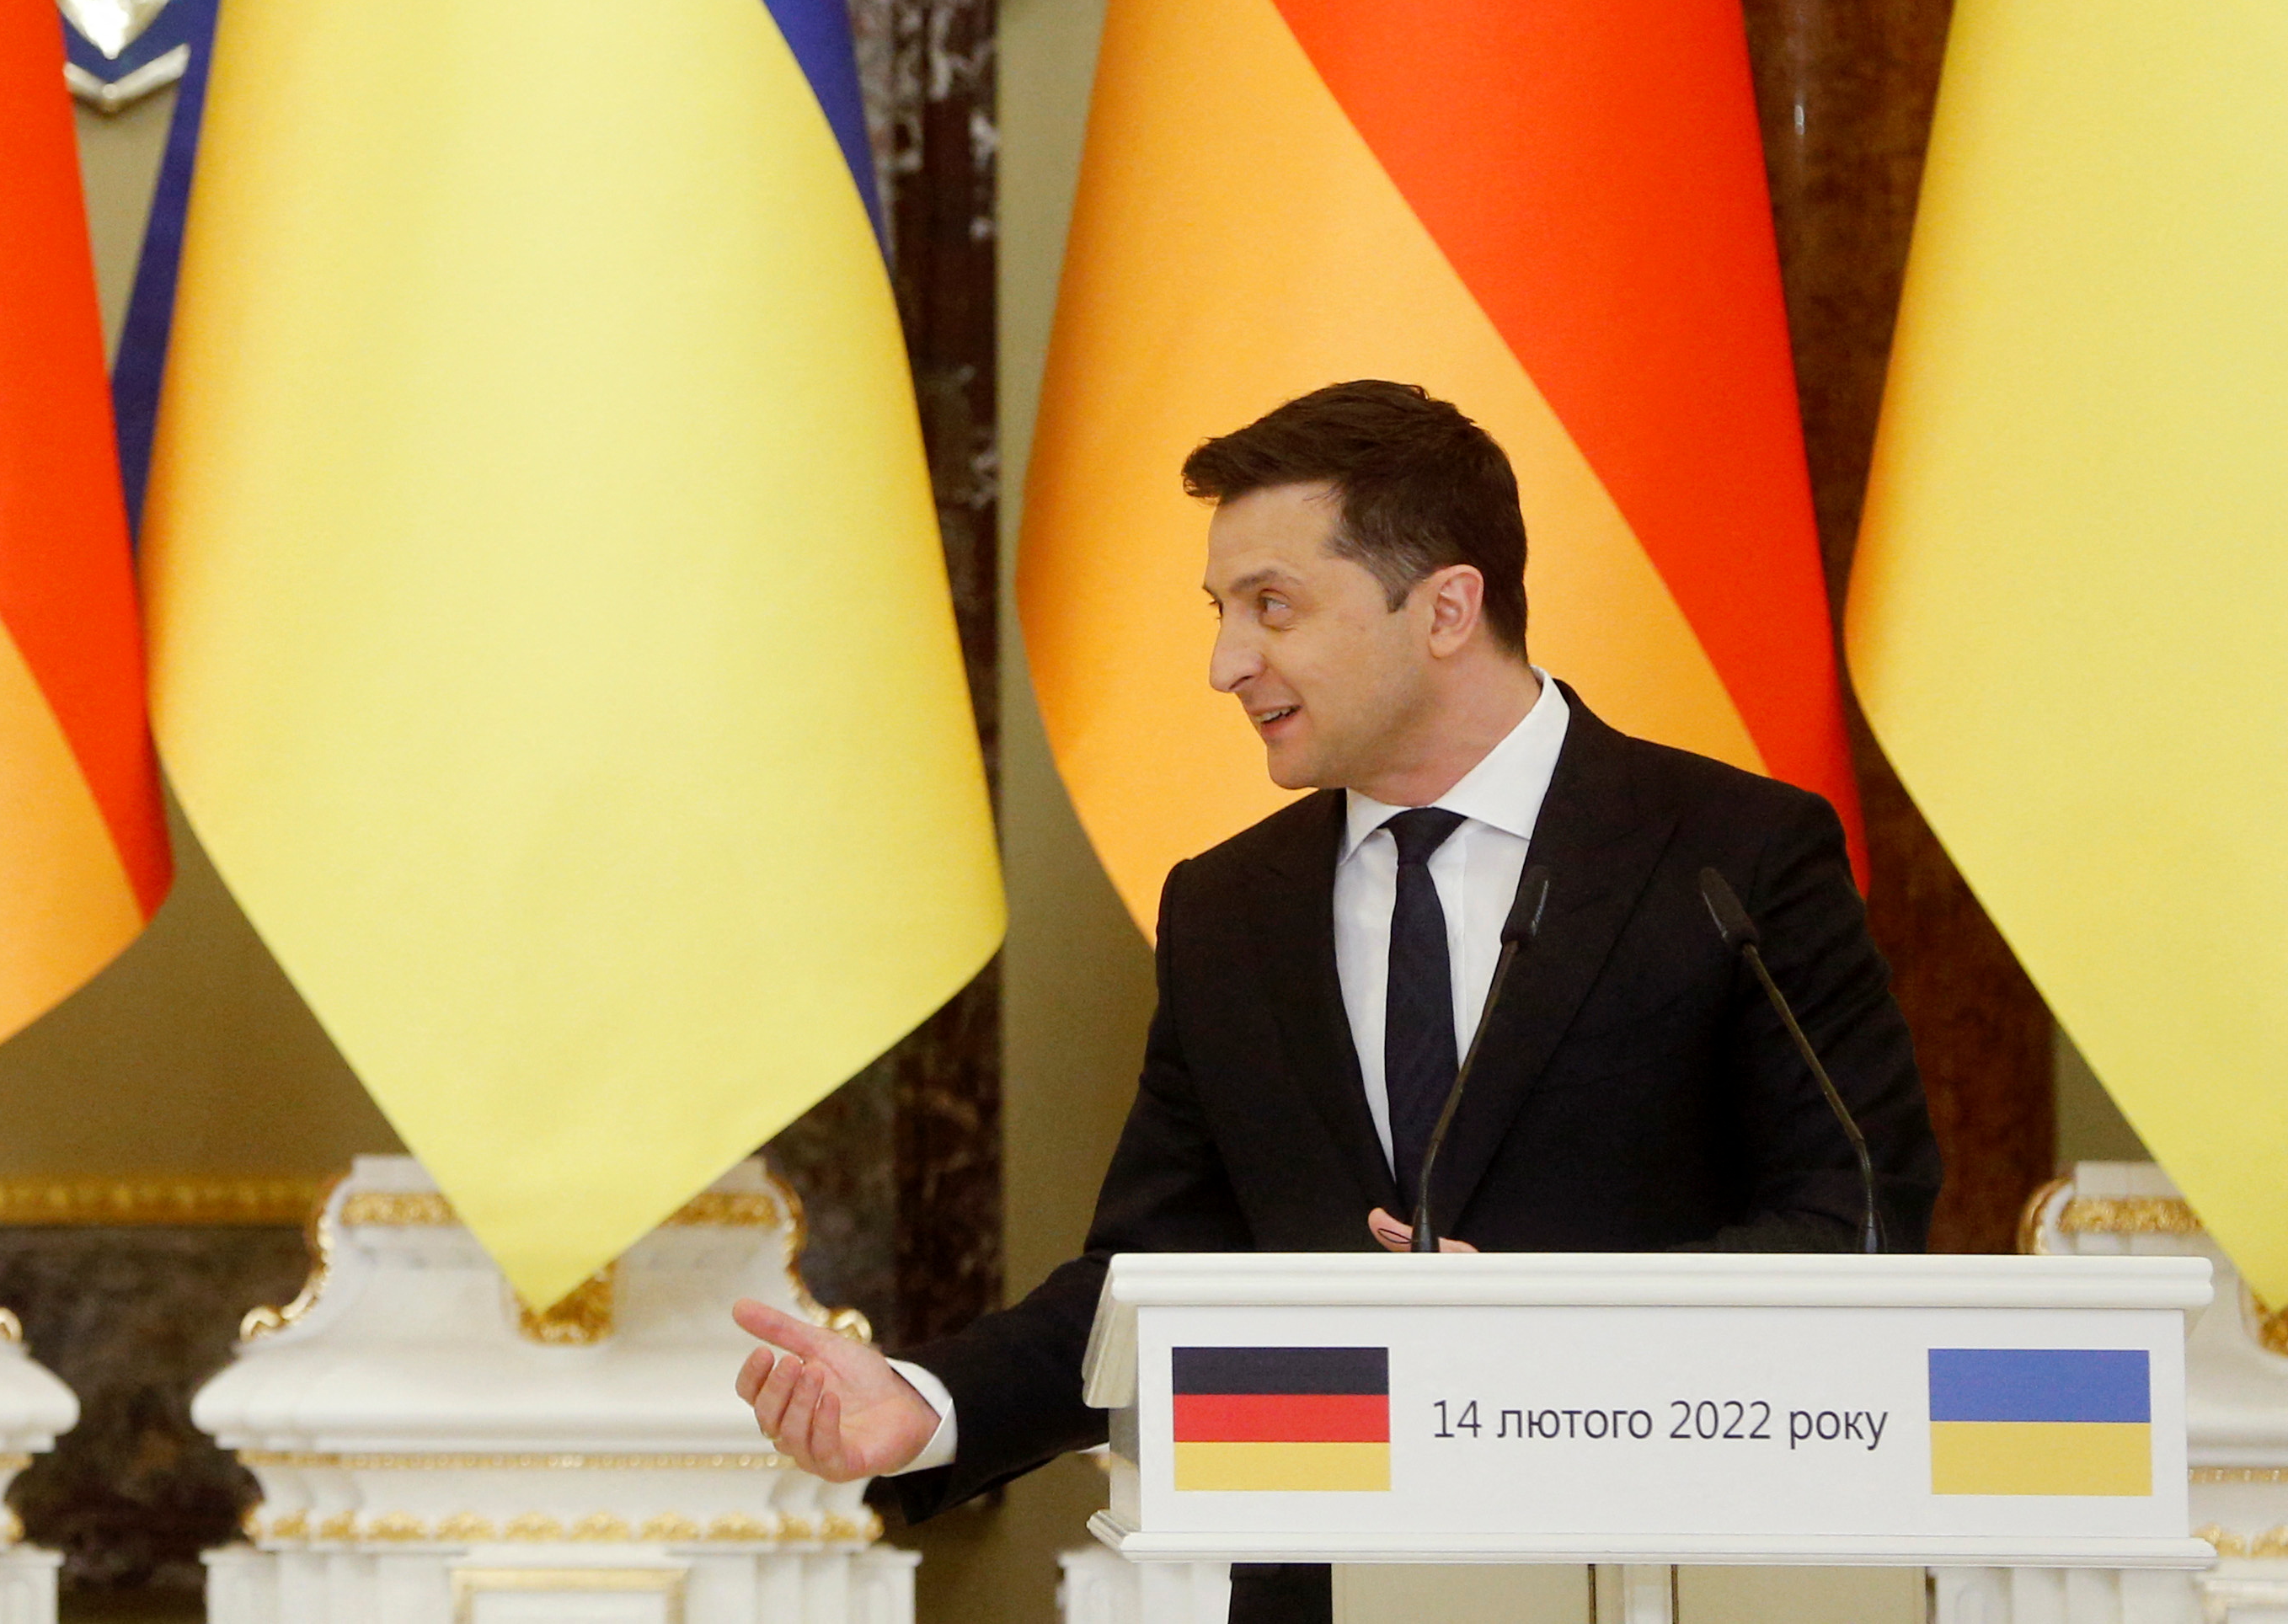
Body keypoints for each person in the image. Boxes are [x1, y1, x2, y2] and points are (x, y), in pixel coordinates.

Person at [730, 380, 1935, 1624]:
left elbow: (1857, 1210)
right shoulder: (1231, 908)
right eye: (1221, 610)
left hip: (1674, 1573)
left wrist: (1557, 1325)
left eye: (1272, 606)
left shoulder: (1729, 855)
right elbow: (1159, 1275)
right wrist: (931, 1402)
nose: (1223, 662)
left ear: (1446, 608)